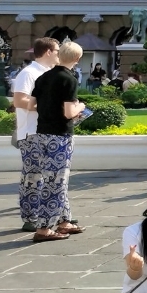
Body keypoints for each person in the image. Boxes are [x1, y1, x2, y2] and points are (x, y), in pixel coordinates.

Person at [27, 41, 86, 243]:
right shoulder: (69, 79)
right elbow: (69, 113)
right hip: (59, 136)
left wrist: (50, 109)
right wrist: (81, 107)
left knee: (55, 179)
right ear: (77, 59)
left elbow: (32, 105)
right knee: (56, 183)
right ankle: (44, 228)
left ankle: (64, 221)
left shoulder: (43, 77)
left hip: (42, 133)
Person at [13, 37, 60, 234]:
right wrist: (47, 107)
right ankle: (30, 218)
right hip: (31, 132)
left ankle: (54, 215)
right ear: (48, 52)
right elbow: (19, 100)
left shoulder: (49, 73)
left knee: (51, 176)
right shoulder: (29, 73)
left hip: (47, 131)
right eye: (57, 51)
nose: (59, 54)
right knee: (32, 177)